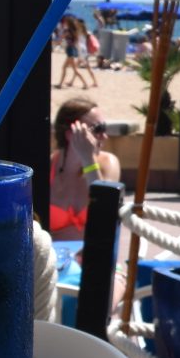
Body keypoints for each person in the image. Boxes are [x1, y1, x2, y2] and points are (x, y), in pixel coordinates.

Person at [46, 97, 122, 240]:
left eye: (104, 127)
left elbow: (104, 212)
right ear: (70, 133)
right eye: (98, 129)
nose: (104, 136)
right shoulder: (49, 166)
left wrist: (88, 159)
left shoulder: (108, 163)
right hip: (56, 253)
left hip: (95, 252)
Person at [57, 17, 94, 90]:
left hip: (70, 50)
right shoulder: (74, 31)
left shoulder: (67, 31)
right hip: (72, 49)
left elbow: (61, 38)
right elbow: (76, 40)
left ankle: (85, 84)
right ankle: (60, 84)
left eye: (65, 22)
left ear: (67, 23)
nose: (64, 23)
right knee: (65, 67)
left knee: (74, 69)